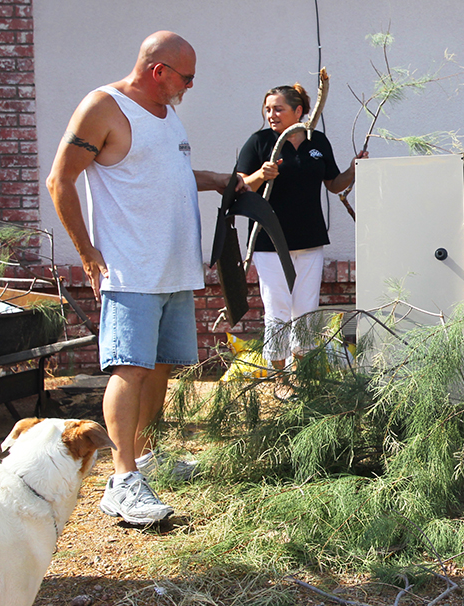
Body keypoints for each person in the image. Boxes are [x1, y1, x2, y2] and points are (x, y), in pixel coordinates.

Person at [46, 31, 244, 526]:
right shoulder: (103, 106)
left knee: (159, 366)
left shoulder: (167, 112)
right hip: (130, 267)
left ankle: (147, 457)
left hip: (173, 267)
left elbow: (164, 173)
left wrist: (218, 180)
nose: (191, 86)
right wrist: (88, 254)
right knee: (128, 367)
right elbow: (60, 179)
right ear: (160, 71)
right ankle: (121, 480)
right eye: (188, 77)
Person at [236, 83, 366, 389]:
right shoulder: (259, 142)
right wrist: (260, 176)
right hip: (271, 242)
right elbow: (240, 186)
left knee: (306, 311)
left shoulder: (316, 141)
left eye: (278, 108)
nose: (271, 114)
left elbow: (334, 184)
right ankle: (280, 379)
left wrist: (354, 168)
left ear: (298, 112)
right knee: (277, 310)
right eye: (267, 109)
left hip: (309, 241)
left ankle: (304, 377)